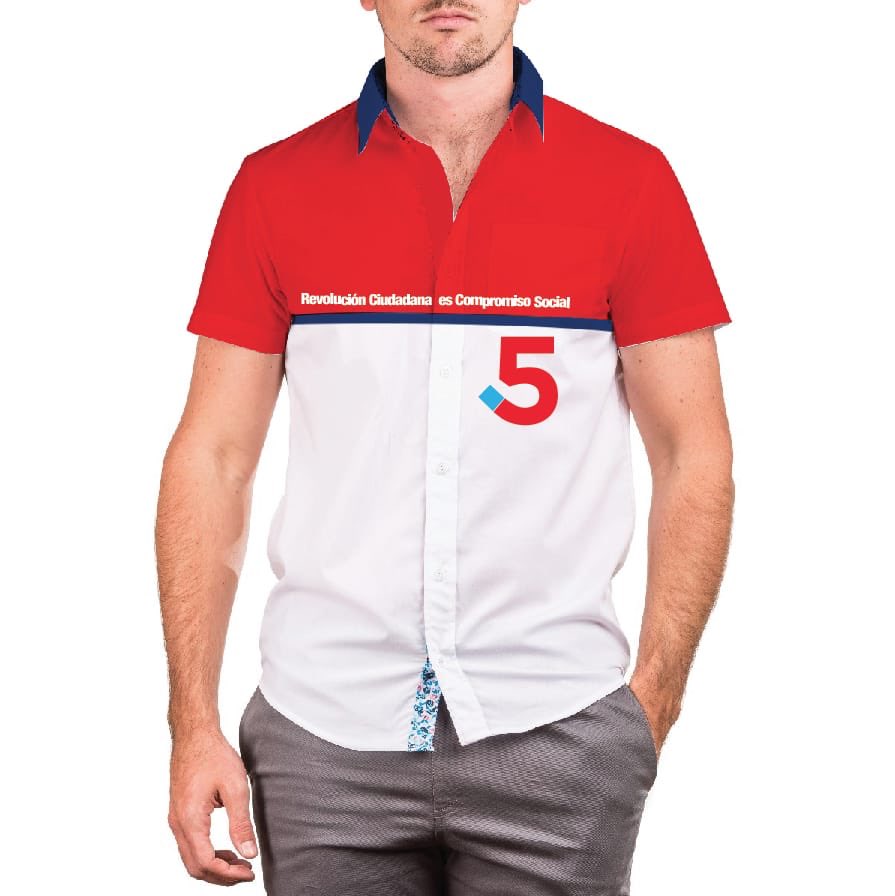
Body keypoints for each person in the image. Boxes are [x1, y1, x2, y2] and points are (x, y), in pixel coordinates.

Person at [155, 1, 734, 893]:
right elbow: (214, 457)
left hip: (559, 731)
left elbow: (692, 451)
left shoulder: (629, 181)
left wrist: (650, 703)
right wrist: (191, 722)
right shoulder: (275, 186)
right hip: (320, 736)